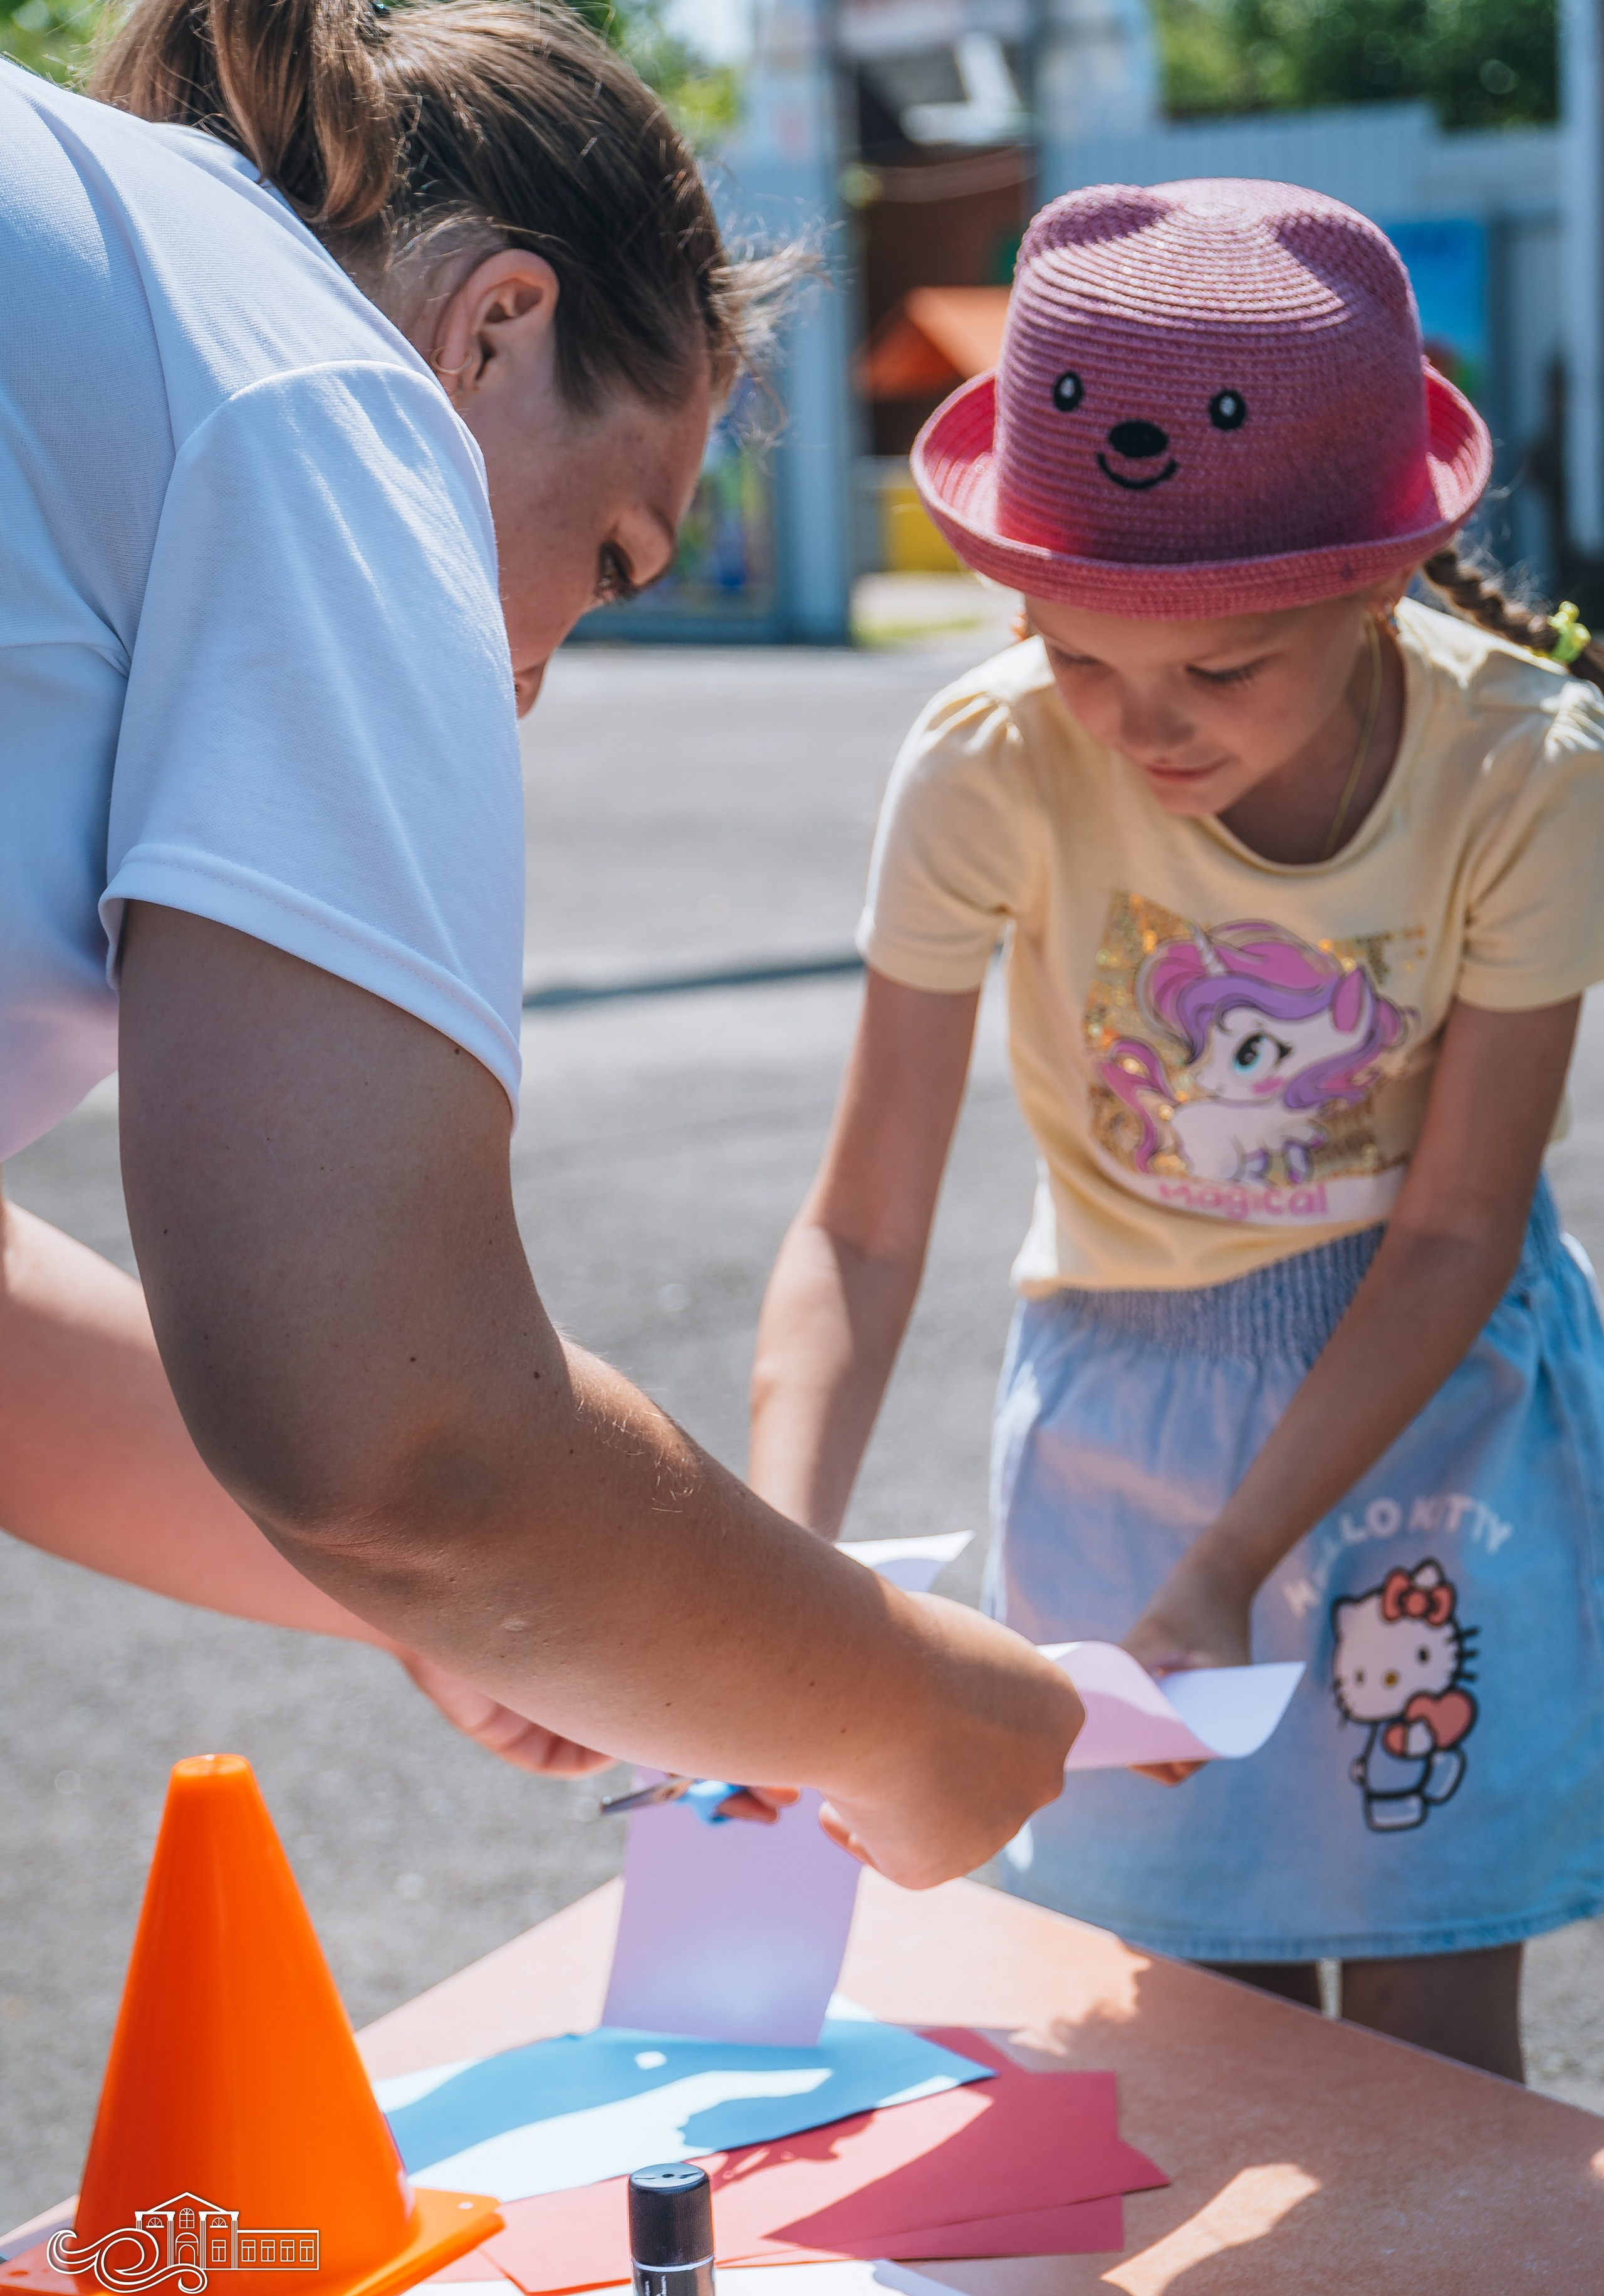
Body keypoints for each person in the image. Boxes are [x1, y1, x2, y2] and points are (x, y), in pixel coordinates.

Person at [0, 0, 1084, 1887]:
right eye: (605, 562)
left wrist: (456, 1596)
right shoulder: (320, 394)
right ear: (494, 325)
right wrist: (918, 1719)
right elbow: (408, 1435)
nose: (520, 688)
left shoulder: (111, 283)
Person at [749, 179, 1604, 2071]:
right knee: (1200, 2033)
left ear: (1382, 579)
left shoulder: (1530, 774)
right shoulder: (984, 768)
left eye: (1223, 668)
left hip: (1429, 1401)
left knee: (1429, 2027)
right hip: (1121, 1412)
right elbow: (863, 1230)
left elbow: (1461, 1228)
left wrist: (1243, 1558)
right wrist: (771, 1571)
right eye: (1076, 654)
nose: (1141, 729)